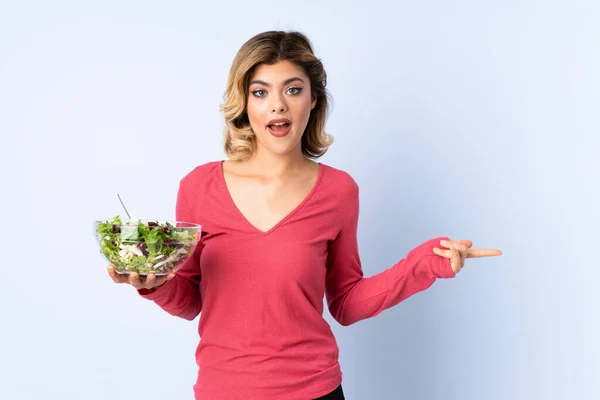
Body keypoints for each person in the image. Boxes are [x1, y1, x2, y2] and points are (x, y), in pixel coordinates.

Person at [107, 30, 502, 400]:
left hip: (315, 391)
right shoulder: (199, 187)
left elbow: (346, 302)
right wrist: (153, 283)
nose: (277, 104)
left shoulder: (338, 191)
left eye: (292, 90)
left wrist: (424, 264)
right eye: (260, 92)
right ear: (245, 104)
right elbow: (191, 300)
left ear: (312, 100)